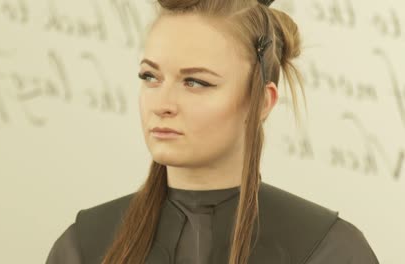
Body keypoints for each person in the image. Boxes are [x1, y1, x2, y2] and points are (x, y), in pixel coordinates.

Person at [45, 0, 380, 263]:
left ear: (261, 101)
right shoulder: (84, 247)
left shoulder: (327, 251)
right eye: (150, 77)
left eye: (196, 82)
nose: (163, 103)